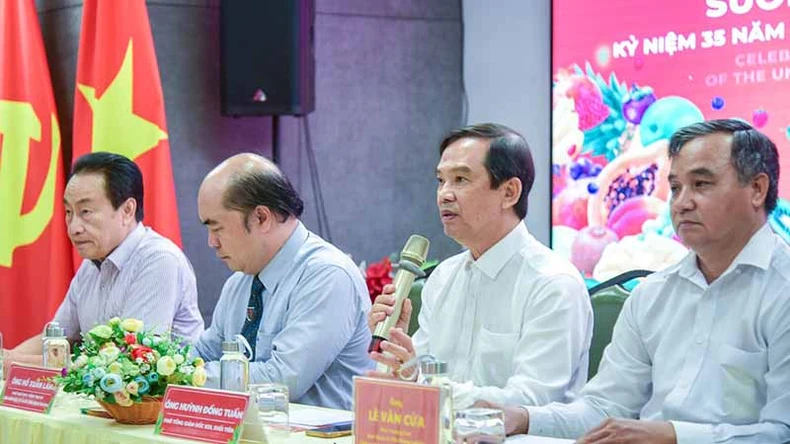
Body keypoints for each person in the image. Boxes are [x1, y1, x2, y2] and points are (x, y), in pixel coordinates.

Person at [493, 119, 790, 444]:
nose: (682, 202)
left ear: (757, 189)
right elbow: (602, 411)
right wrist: (522, 418)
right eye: (675, 188)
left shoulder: (782, 290)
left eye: (701, 184)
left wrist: (673, 436)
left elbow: (782, 432)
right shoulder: (652, 294)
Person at [368, 123, 592, 409]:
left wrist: (426, 385)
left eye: (460, 179)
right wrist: (398, 352)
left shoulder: (553, 284)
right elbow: (419, 377)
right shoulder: (442, 277)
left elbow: (530, 402)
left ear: (509, 192)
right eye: (441, 180)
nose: (444, 194)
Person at [192, 153, 373, 410]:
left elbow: (284, 380)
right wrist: (158, 367)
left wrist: (189, 376)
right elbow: (204, 353)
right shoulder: (239, 282)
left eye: (217, 228)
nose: (212, 242)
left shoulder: (327, 275)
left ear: (261, 218)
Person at [3, 152, 203, 376]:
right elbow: (55, 339)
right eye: (69, 212)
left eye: (85, 212)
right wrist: (5, 359)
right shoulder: (91, 266)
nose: (74, 228)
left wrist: (12, 363)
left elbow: (128, 364)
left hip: (152, 395)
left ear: (127, 210)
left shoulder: (159, 260)